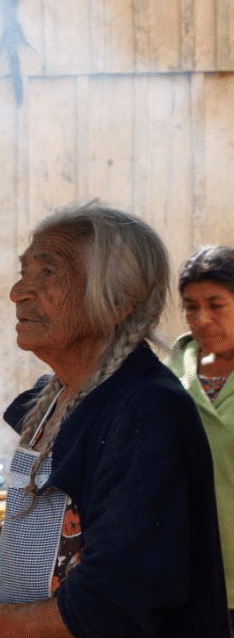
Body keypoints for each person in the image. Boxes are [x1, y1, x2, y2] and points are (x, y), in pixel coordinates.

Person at [0, 202, 228, 638]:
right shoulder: (53, 398)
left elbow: (115, 603)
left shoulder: (146, 409)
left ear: (120, 299)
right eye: (25, 270)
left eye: (48, 273)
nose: (18, 291)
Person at [166, 245, 234, 628]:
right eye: (191, 307)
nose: (201, 318)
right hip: (182, 579)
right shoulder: (170, 374)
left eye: (216, 305)